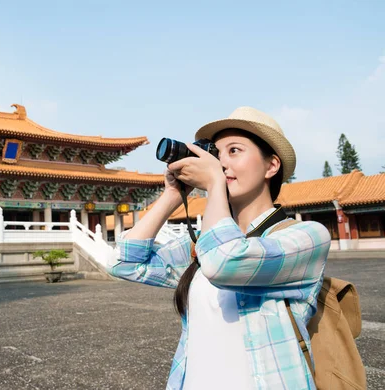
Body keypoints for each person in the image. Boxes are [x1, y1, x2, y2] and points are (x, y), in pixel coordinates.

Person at [108, 107, 331, 390]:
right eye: (216, 153)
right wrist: (172, 195)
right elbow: (124, 263)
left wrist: (213, 183)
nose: (220, 163)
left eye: (234, 151)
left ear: (271, 166)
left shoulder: (307, 236)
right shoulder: (204, 241)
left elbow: (223, 263)